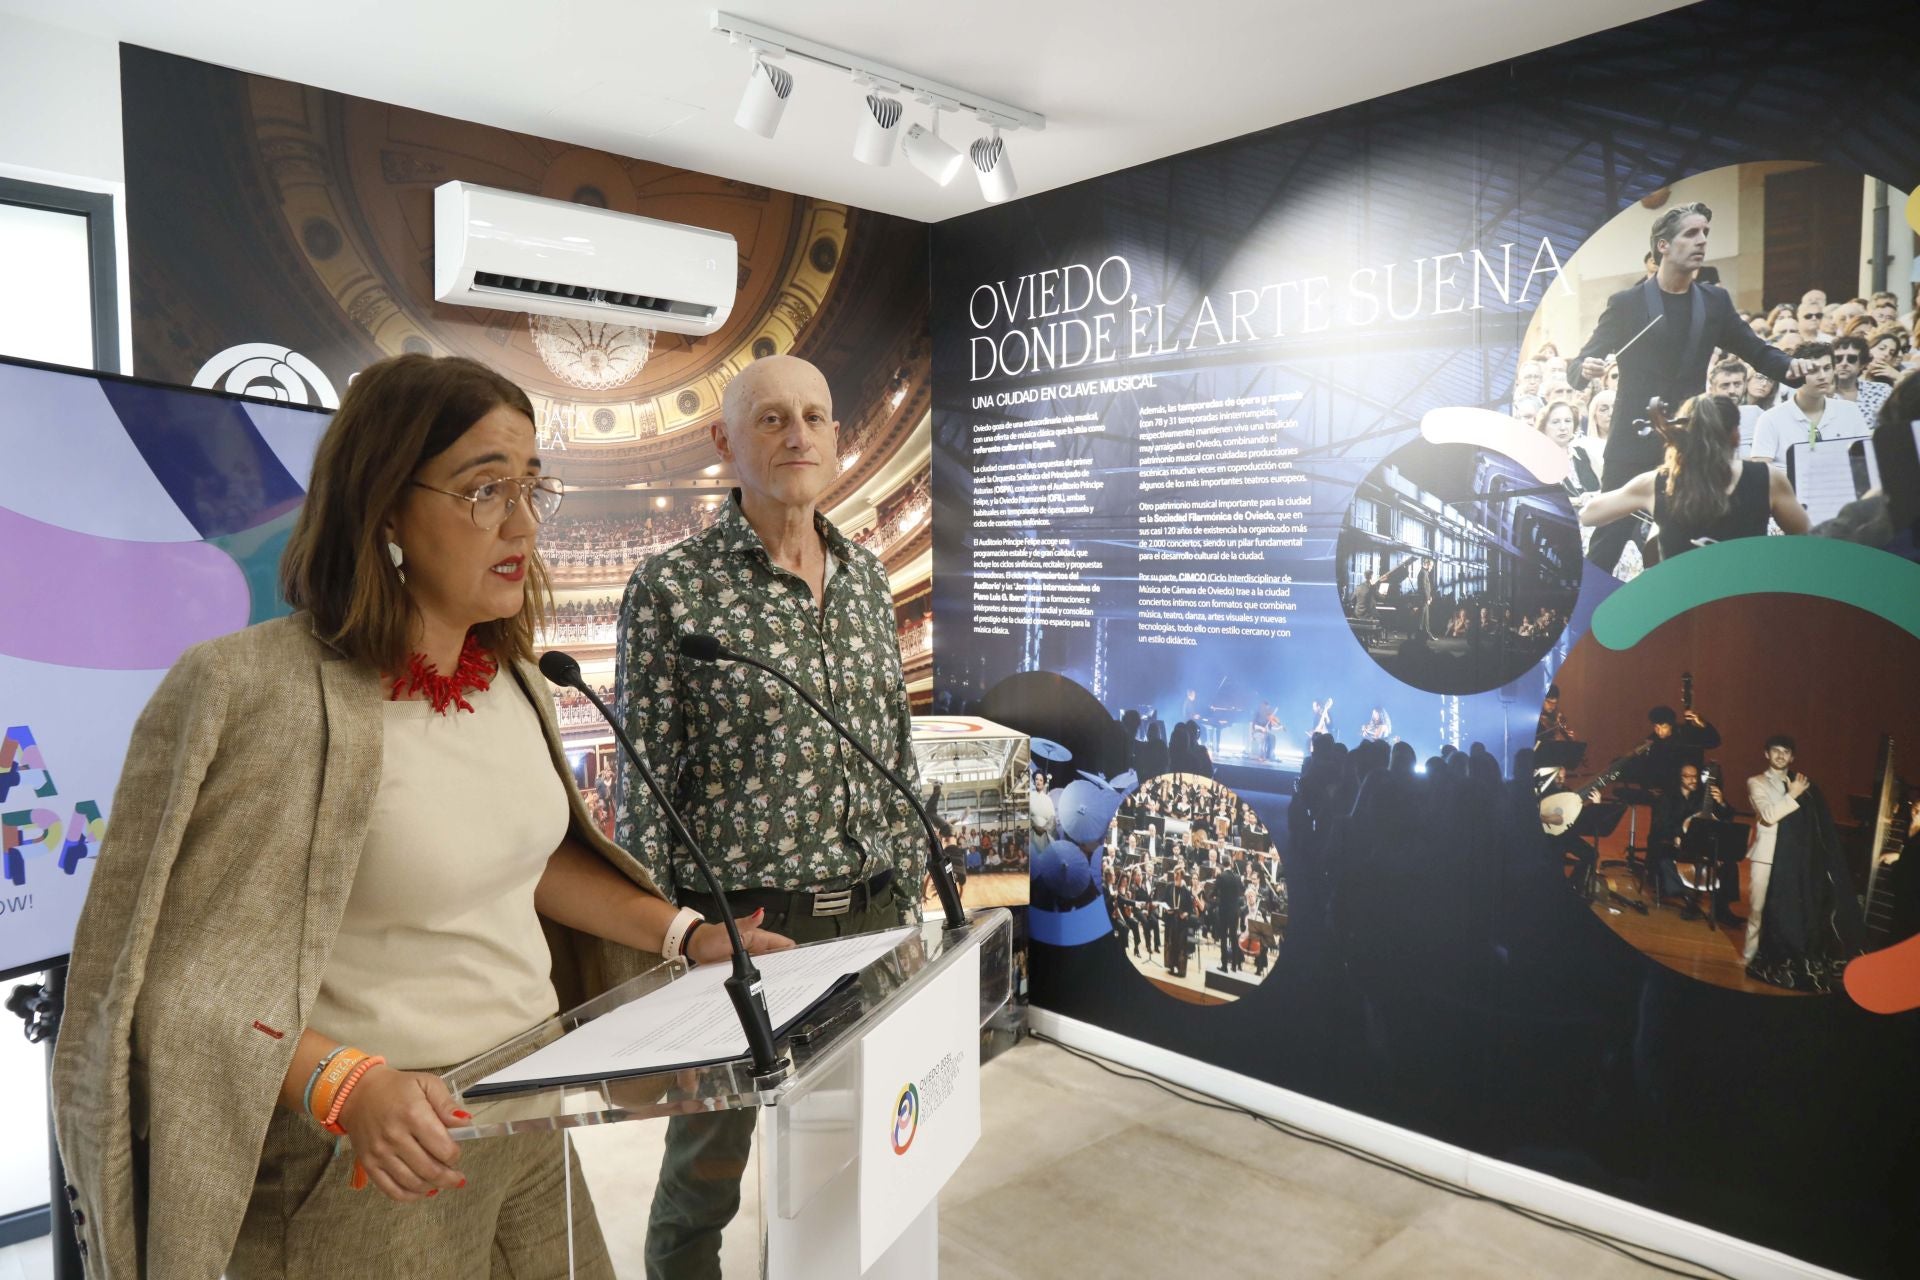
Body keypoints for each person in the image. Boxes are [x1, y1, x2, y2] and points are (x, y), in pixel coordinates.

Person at [50, 355, 793, 1279]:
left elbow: (521, 860)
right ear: (387, 507)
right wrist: (342, 1084)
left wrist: (685, 933)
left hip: (529, 1113)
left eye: (531, 487)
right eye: (486, 490)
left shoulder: (518, 679)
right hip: (367, 1161)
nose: (523, 523)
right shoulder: (251, 691)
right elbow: (179, 979)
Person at [615, 353, 921, 1277]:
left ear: (836, 438)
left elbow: (894, 748)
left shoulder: (868, 579)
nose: (799, 436)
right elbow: (644, 793)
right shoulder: (672, 589)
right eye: (774, 419)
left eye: (816, 417)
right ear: (724, 442)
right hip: (745, 934)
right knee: (705, 1179)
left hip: (873, 919)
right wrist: (670, 945)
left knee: (863, 1153)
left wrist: (908, 894)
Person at [1568, 202, 1807, 574]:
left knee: (1696, 537)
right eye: (1691, 233)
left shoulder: (1715, 300)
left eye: (1706, 233)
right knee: (1607, 545)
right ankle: (1585, 625)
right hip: (1632, 441)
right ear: (1662, 245)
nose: (1702, 241)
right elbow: (1580, 364)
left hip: (1691, 443)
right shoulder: (1626, 303)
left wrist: (1790, 367)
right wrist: (1586, 368)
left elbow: (1755, 349)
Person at [1579, 394, 1808, 558]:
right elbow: (1807, 539)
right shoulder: (1768, 478)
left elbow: (1589, 515)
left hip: (1681, 615)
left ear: (1680, 434)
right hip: (1745, 611)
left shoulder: (1656, 483)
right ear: (1736, 436)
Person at [1742, 735, 1867, 990]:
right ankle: (1749, 957)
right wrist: (1793, 795)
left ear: (1792, 757)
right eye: (1775, 751)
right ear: (1766, 754)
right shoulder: (1756, 782)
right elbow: (1767, 816)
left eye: (1785, 752)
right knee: (1758, 909)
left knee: (1783, 911)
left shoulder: (1803, 784)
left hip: (1794, 861)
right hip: (1767, 856)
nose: (1780, 756)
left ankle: (1778, 956)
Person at [1750, 342, 1871, 479]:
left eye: (1827, 368)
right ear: (1796, 373)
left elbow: (1865, 462)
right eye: (1813, 370)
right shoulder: (1770, 419)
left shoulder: (1850, 411)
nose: (1822, 376)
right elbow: (1760, 473)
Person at [1649, 761, 1737, 923]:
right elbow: (1660, 824)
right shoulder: (1667, 798)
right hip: (1674, 844)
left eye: (1695, 776)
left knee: (1730, 863)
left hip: (1700, 846)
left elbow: (1726, 817)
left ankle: (1722, 908)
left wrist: (1722, 802)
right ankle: (1688, 899)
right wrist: (1677, 834)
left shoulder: (1703, 797)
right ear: (1679, 778)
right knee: (1664, 861)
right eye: (1688, 776)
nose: (1693, 780)